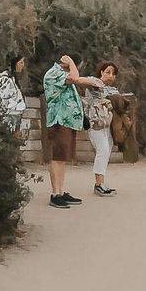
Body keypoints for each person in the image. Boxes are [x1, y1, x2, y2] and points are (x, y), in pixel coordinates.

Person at [40, 51, 101, 207]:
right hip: (59, 120)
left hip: (68, 122)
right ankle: (55, 194)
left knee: (63, 158)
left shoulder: (63, 74)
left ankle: (61, 191)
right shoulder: (55, 73)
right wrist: (72, 62)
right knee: (57, 158)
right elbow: (75, 77)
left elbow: (78, 79)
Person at [85, 63, 128, 196]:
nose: (110, 76)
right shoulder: (94, 85)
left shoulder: (113, 90)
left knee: (106, 152)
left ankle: (101, 183)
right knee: (102, 150)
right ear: (101, 72)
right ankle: (98, 184)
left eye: (113, 73)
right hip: (96, 124)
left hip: (108, 125)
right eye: (108, 72)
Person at [0, 53, 29, 136]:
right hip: (10, 119)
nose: (22, 65)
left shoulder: (12, 79)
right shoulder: (5, 80)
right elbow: (2, 102)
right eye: (21, 62)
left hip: (15, 118)